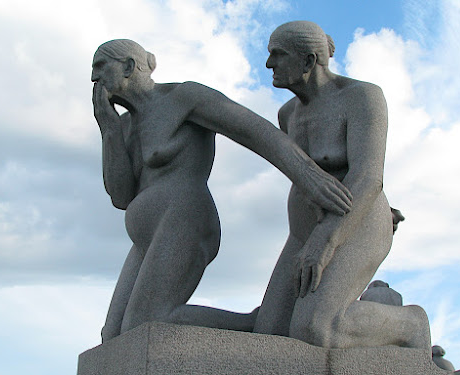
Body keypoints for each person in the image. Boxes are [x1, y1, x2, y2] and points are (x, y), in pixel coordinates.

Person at [91, 39, 353, 342]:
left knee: (147, 320)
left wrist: (312, 179)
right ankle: (258, 323)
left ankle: (255, 324)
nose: (94, 78)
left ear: (127, 66)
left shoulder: (182, 97)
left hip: (184, 218)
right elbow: (121, 197)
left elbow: (254, 131)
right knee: (112, 334)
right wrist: (108, 129)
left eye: (100, 66)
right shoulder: (122, 126)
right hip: (144, 237)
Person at [253, 21, 430, 349]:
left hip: (357, 224)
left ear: (308, 61)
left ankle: (410, 324)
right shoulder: (287, 114)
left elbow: (368, 177)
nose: (268, 64)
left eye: (278, 55)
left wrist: (325, 241)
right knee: (270, 334)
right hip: (303, 231)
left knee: (315, 329)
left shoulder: (362, 97)